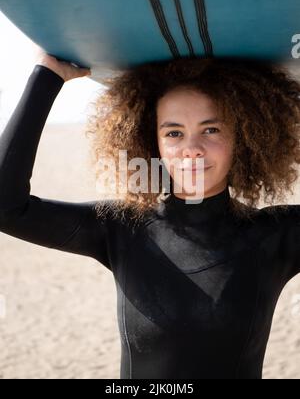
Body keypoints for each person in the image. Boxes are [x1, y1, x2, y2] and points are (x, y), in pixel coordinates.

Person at [1, 52, 300, 379]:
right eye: (174, 133)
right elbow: (7, 207)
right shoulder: (120, 227)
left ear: (242, 136)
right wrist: (46, 77)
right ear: (151, 142)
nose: (193, 149)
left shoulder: (276, 235)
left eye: (211, 129)